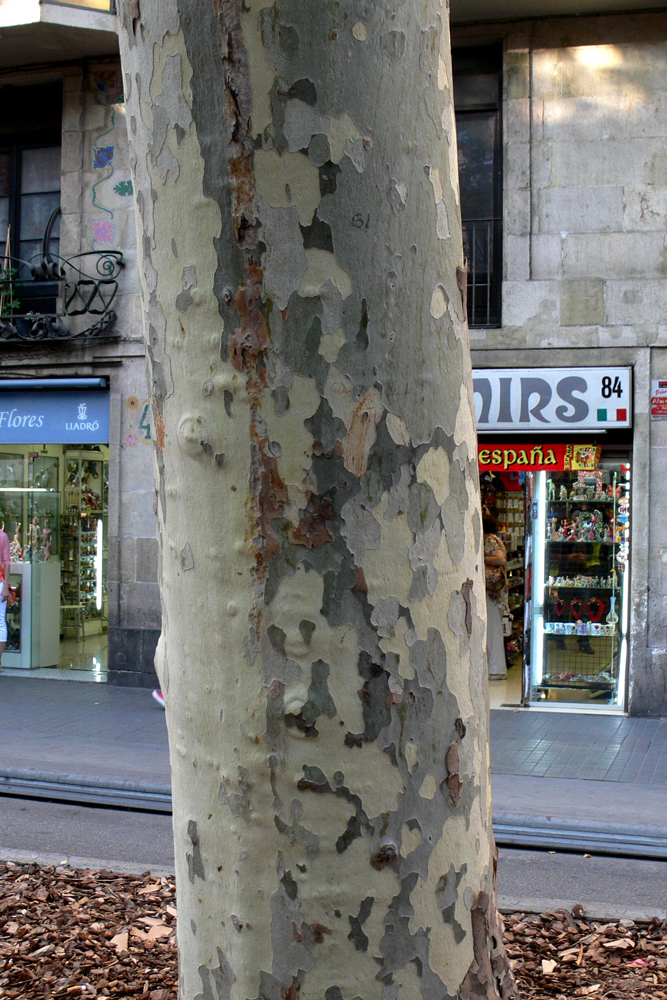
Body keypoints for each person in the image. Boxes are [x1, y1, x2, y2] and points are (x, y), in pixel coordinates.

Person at [483, 508, 509, 680]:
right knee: (493, 629)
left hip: (493, 592)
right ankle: (494, 667)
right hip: (494, 591)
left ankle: (496, 669)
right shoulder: (495, 539)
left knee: (493, 629)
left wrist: (481, 558)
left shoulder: (491, 540)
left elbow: (500, 559)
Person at [0, 522, 11, 672]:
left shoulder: (2, 536)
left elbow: (7, 562)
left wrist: (6, 587)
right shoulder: (3, 536)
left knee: (0, 621)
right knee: (0, 621)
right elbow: (7, 562)